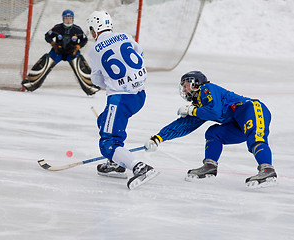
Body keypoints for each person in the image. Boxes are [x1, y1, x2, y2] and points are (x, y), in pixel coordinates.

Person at [145, 71, 277, 188]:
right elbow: (186, 124)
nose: (184, 90)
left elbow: (214, 112)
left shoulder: (207, 89)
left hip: (251, 110)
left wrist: (193, 110)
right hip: (237, 123)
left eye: (185, 86)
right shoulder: (200, 106)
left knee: (256, 138)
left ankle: (267, 170)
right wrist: (159, 137)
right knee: (214, 133)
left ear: (195, 83)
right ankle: (210, 166)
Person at [86, 10, 159, 190]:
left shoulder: (94, 50)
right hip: (140, 95)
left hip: (120, 99)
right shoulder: (125, 36)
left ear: (95, 29)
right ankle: (118, 162)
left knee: (108, 142)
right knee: (103, 121)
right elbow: (140, 54)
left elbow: (96, 80)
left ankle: (139, 167)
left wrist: (114, 83)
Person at [22, 9, 100, 95]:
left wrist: (78, 47)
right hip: (58, 52)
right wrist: (53, 44)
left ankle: (91, 87)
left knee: (81, 65)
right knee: (45, 62)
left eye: (70, 18)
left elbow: (84, 39)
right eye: (66, 18)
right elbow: (47, 36)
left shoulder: (77, 29)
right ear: (63, 19)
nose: (68, 20)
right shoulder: (57, 28)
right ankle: (30, 83)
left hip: (72, 52)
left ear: (73, 19)